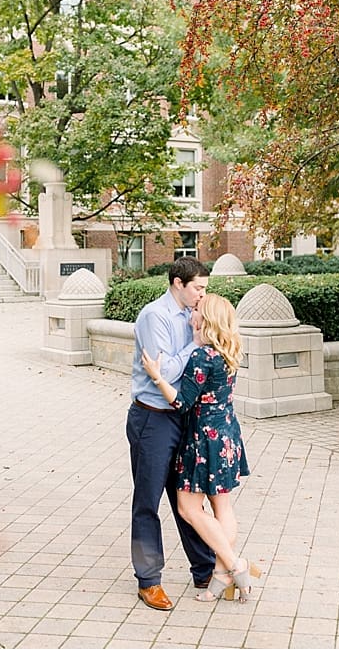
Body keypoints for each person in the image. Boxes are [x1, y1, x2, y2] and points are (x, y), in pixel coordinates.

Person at [141, 293, 253, 602]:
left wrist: (156, 376)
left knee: (188, 508)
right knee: (222, 507)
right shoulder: (229, 351)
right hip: (228, 434)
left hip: (204, 439)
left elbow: (180, 403)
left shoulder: (202, 357)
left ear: (206, 320)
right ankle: (220, 576)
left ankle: (234, 565)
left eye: (197, 312)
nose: (192, 314)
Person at [125, 256, 217, 611]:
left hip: (183, 416)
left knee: (187, 500)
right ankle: (148, 581)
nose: (203, 295)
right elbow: (163, 371)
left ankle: (206, 570)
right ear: (178, 283)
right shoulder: (155, 316)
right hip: (152, 419)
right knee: (147, 501)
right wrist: (194, 344)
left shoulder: (194, 314)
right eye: (198, 288)